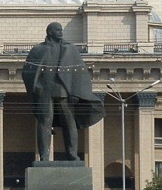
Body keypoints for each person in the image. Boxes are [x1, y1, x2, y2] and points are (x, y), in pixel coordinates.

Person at [22, 22, 105, 161]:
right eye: (57, 30)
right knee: (44, 122)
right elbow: (27, 71)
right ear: (50, 32)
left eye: (61, 30)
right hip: (44, 91)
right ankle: (44, 156)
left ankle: (72, 154)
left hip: (64, 91)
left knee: (69, 122)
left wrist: (75, 92)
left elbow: (79, 73)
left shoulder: (70, 49)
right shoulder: (38, 50)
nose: (61, 32)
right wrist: (36, 87)